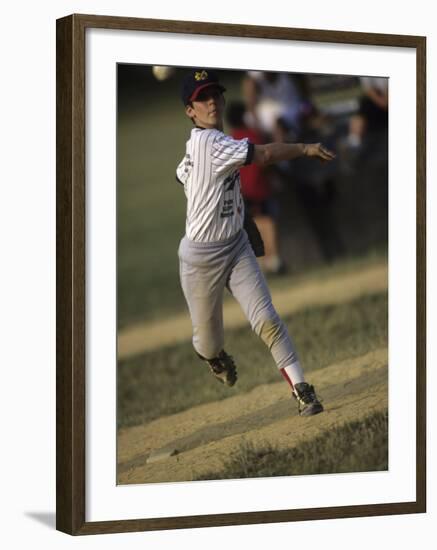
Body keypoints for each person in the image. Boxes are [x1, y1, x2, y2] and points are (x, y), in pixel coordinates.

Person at [176, 69, 335, 416]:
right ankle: (212, 356)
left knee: (267, 320)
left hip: (235, 246)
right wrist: (305, 147)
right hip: (200, 259)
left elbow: (181, 174)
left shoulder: (201, 145)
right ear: (190, 110)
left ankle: (302, 389)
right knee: (208, 341)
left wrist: (232, 216)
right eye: (202, 98)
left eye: (215, 94)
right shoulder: (211, 143)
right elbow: (262, 156)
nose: (212, 102)